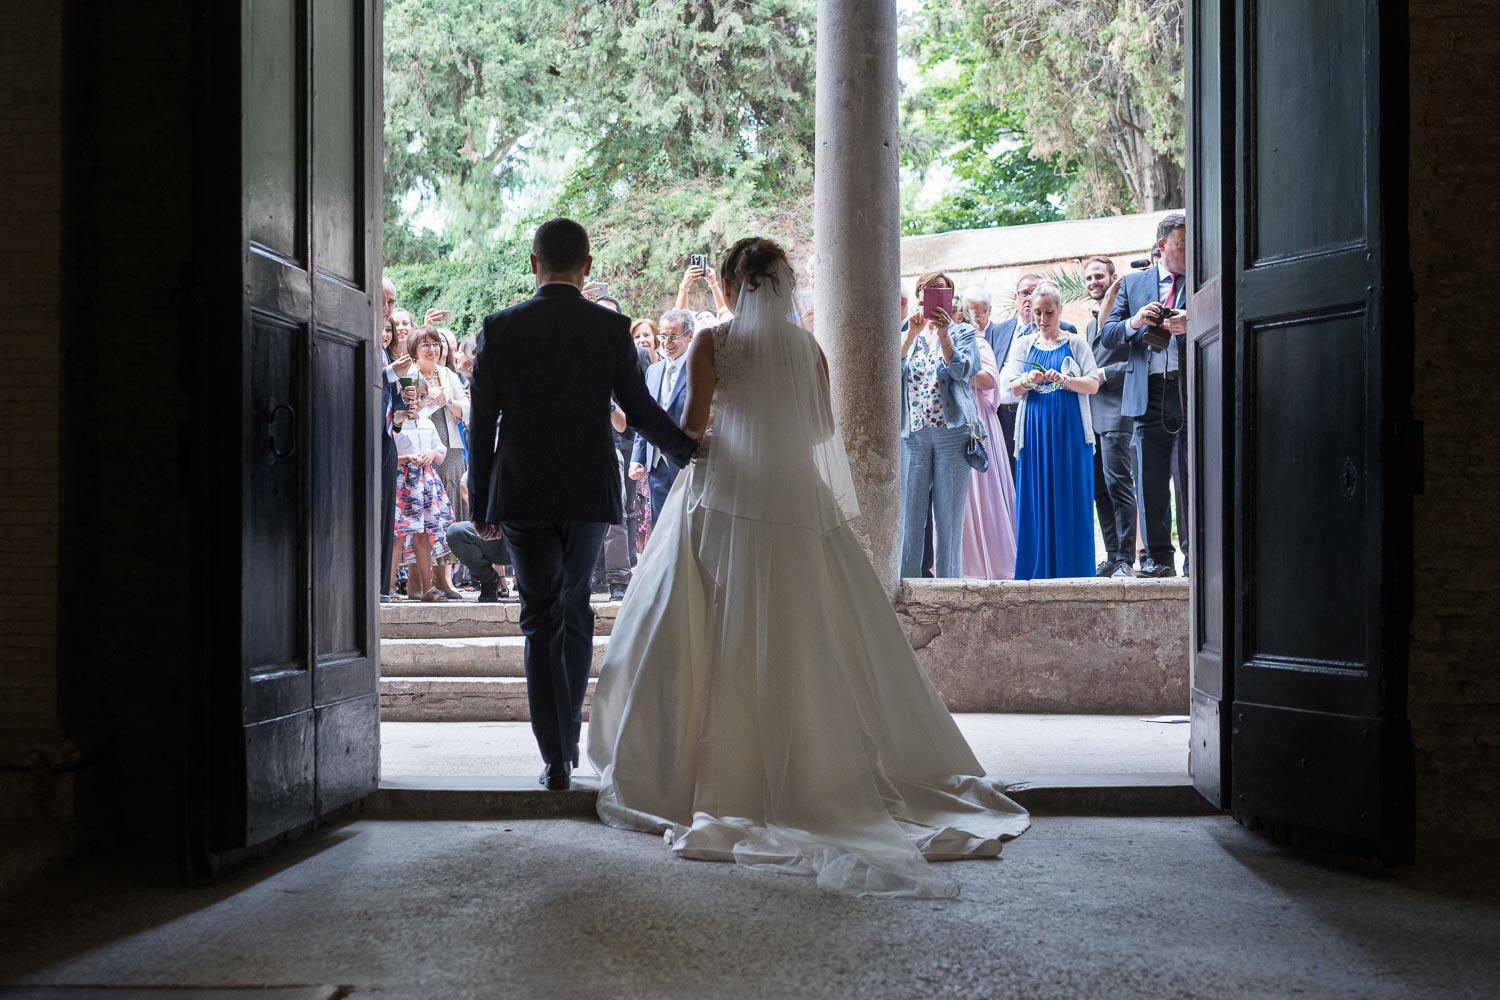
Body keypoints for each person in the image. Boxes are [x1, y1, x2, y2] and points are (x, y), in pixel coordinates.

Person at [588, 238, 1029, 900]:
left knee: (707, 626)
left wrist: (731, 431)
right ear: (785, 286)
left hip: (726, 491)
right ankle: (825, 769)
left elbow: (692, 422)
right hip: (797, 495)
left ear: (734, 285)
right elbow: (821, 429)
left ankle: (709, 776)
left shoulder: (716, 342)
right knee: (812, 629)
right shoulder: (808, 349)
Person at [468, 218, 695, 793]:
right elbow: (639, 408)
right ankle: (566, 736)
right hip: (589, 488)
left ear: (533, 262)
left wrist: (481, 496)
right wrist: (689, 449)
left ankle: (554, 756)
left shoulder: (500, 327)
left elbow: (480, 420)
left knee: (539, 615)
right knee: (574, 610)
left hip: (520, 490)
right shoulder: (611, 328)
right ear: (587, 265)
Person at [1101, 213, 1190, 577]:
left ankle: (1196, 557)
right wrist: (1135, 321)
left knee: (1190, 476)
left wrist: (1193, 321)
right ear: (1162, 246)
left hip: (1189, 387)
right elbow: (1106, 335)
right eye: (1181, 246)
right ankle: (1157, 559)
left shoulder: (1204, 277)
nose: (1187, 252)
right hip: (1148, 391)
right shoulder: (1134, 284)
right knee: (1151, 479)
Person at [1002, 282, 1102, 580]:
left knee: (1070, 494)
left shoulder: (1076, 343)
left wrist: (1066, 380)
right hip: (1035, 430)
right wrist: (1030, 380)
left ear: (1059, 310)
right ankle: (1036, 570)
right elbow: (1012, 388)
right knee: (1035, 496)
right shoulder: (1023, 345)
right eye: (1037, 313)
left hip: (1070, 430)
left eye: (1048, 312)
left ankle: (1074, 569)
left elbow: (1094, 383)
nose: (1042, 319)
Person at [899, 271, 982, 578]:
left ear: (950, 297)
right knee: (910, 520)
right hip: (914, 436)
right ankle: (905, 586)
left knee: (948, 520)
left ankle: (949, 589)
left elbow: (963, 371)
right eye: (929, 290)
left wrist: (945, 334)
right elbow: (887, 373)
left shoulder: (962, 333)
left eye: (942, 291)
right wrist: (910, 335)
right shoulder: (905, 332)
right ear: (920, 297)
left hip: (952, 434)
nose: (934, 295)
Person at [408, 327, 471, 598]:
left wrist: (447, 402)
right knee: (420, 516)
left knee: (448, 512)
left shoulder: (448, 374)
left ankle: (444, 579)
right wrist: (433, 400)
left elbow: (466, 408)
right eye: (425, 345)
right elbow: (409, 408)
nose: (432, 349)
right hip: (419, 450)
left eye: (435, 344)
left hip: (451, 448)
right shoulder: (409, 374)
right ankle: (416, 580)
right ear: (414, 349)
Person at [1083, 256, 1136, 578]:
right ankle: (1112, 554)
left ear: (1113, 278)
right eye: (1088, 278)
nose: (1093, 282)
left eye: (1099, 276)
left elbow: (1139, 364)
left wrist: (1105, 373)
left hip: (1116, 414)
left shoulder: (1129, 317)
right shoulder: (1090, 324)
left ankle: (1126, 560)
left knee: (1118, 487)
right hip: (1090, 418)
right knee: (1100, 491)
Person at [991, 273, 1079, 458]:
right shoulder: (999, 331)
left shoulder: (1066, 330)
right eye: (1024, 293)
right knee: (1008, 474)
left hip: (1039, 412)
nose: (1029, 298)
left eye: (1035, 291)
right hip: (1002, 414)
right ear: (1016, 298)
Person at [960, 331, 1019, 580]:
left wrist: (956, 368)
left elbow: (989, 380)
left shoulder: (978, 343)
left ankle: (994, 563)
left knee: (984, 491)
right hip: (947, 423)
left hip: (977, 422)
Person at [629, 309, 695, 523]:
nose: (667, 342)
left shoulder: (698, 369)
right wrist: (637, 459)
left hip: (687, 464)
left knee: (686, 526)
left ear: (689, 336)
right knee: (659, 527)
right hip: (655, 464)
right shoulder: (653, 370)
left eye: (674, 336)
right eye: (663, 336)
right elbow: (645, 416)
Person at [393, 384, 456, 602]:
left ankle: (427, 587)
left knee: (423, 535)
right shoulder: (395, 423)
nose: (416, 402)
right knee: (398, 535)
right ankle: (389, 586)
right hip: (402, 481)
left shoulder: (427, 423)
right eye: (411, 396)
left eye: (421, 397)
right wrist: (406, 458)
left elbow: (440, 452)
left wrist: (431, 453)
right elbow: (387, 452)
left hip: (424, 482)